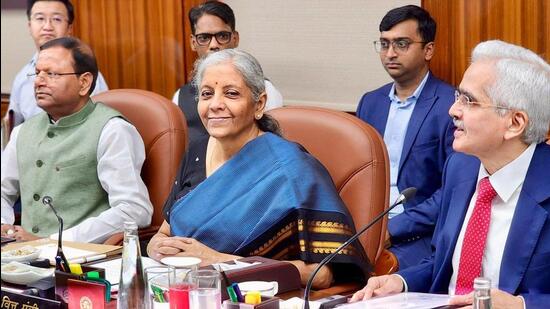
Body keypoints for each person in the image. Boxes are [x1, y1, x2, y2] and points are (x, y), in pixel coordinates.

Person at [351, 40, 550, 308]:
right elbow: (444, 261)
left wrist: (521, 305)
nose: (453, 110)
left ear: (514, 123)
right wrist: (401, 282)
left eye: (469, 101)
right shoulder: (461, 168)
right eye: (458, 97)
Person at [148, 49, 368, 289]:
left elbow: (322, 273)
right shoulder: (197, 152)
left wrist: (221, 262)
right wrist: (156, 246)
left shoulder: (292, 170)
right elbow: (164, 232)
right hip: (185, 292)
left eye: (231, 94)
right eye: (207, 94)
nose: (215, 105)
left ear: (259, 104)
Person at [1, 37, 153, 244]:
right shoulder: (22, 132)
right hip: (21, 259)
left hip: (81, 261)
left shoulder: (112, 129)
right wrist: (4, 225)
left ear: (84, 82)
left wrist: (55, 241)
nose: (38, 81)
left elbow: (134, 209)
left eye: (52, 74)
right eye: (37, 73)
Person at [355, 5, 455, 269]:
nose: (390, 53)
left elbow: (453, 190)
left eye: (401, 44)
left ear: (428, 49)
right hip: (365, 225)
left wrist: (392, 228)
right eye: (384, 44)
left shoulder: (451, 106)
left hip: (420, 231)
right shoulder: (370, 102)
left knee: (378, 274)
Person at [172, 0, 283, 146]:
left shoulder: (264, 89)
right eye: (204, 38)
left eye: (222, 36)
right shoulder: (180, 96)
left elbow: (273, 146)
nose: (214, 45)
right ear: (193, 42)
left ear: (235, 38)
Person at [7, 0, 108, 127]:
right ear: (29, 26)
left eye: (56, 19)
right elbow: (11, 127)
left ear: (69, 28)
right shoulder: (22, 77)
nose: (47, 26)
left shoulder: (85, 74)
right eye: (40, 18)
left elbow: (100, 123)